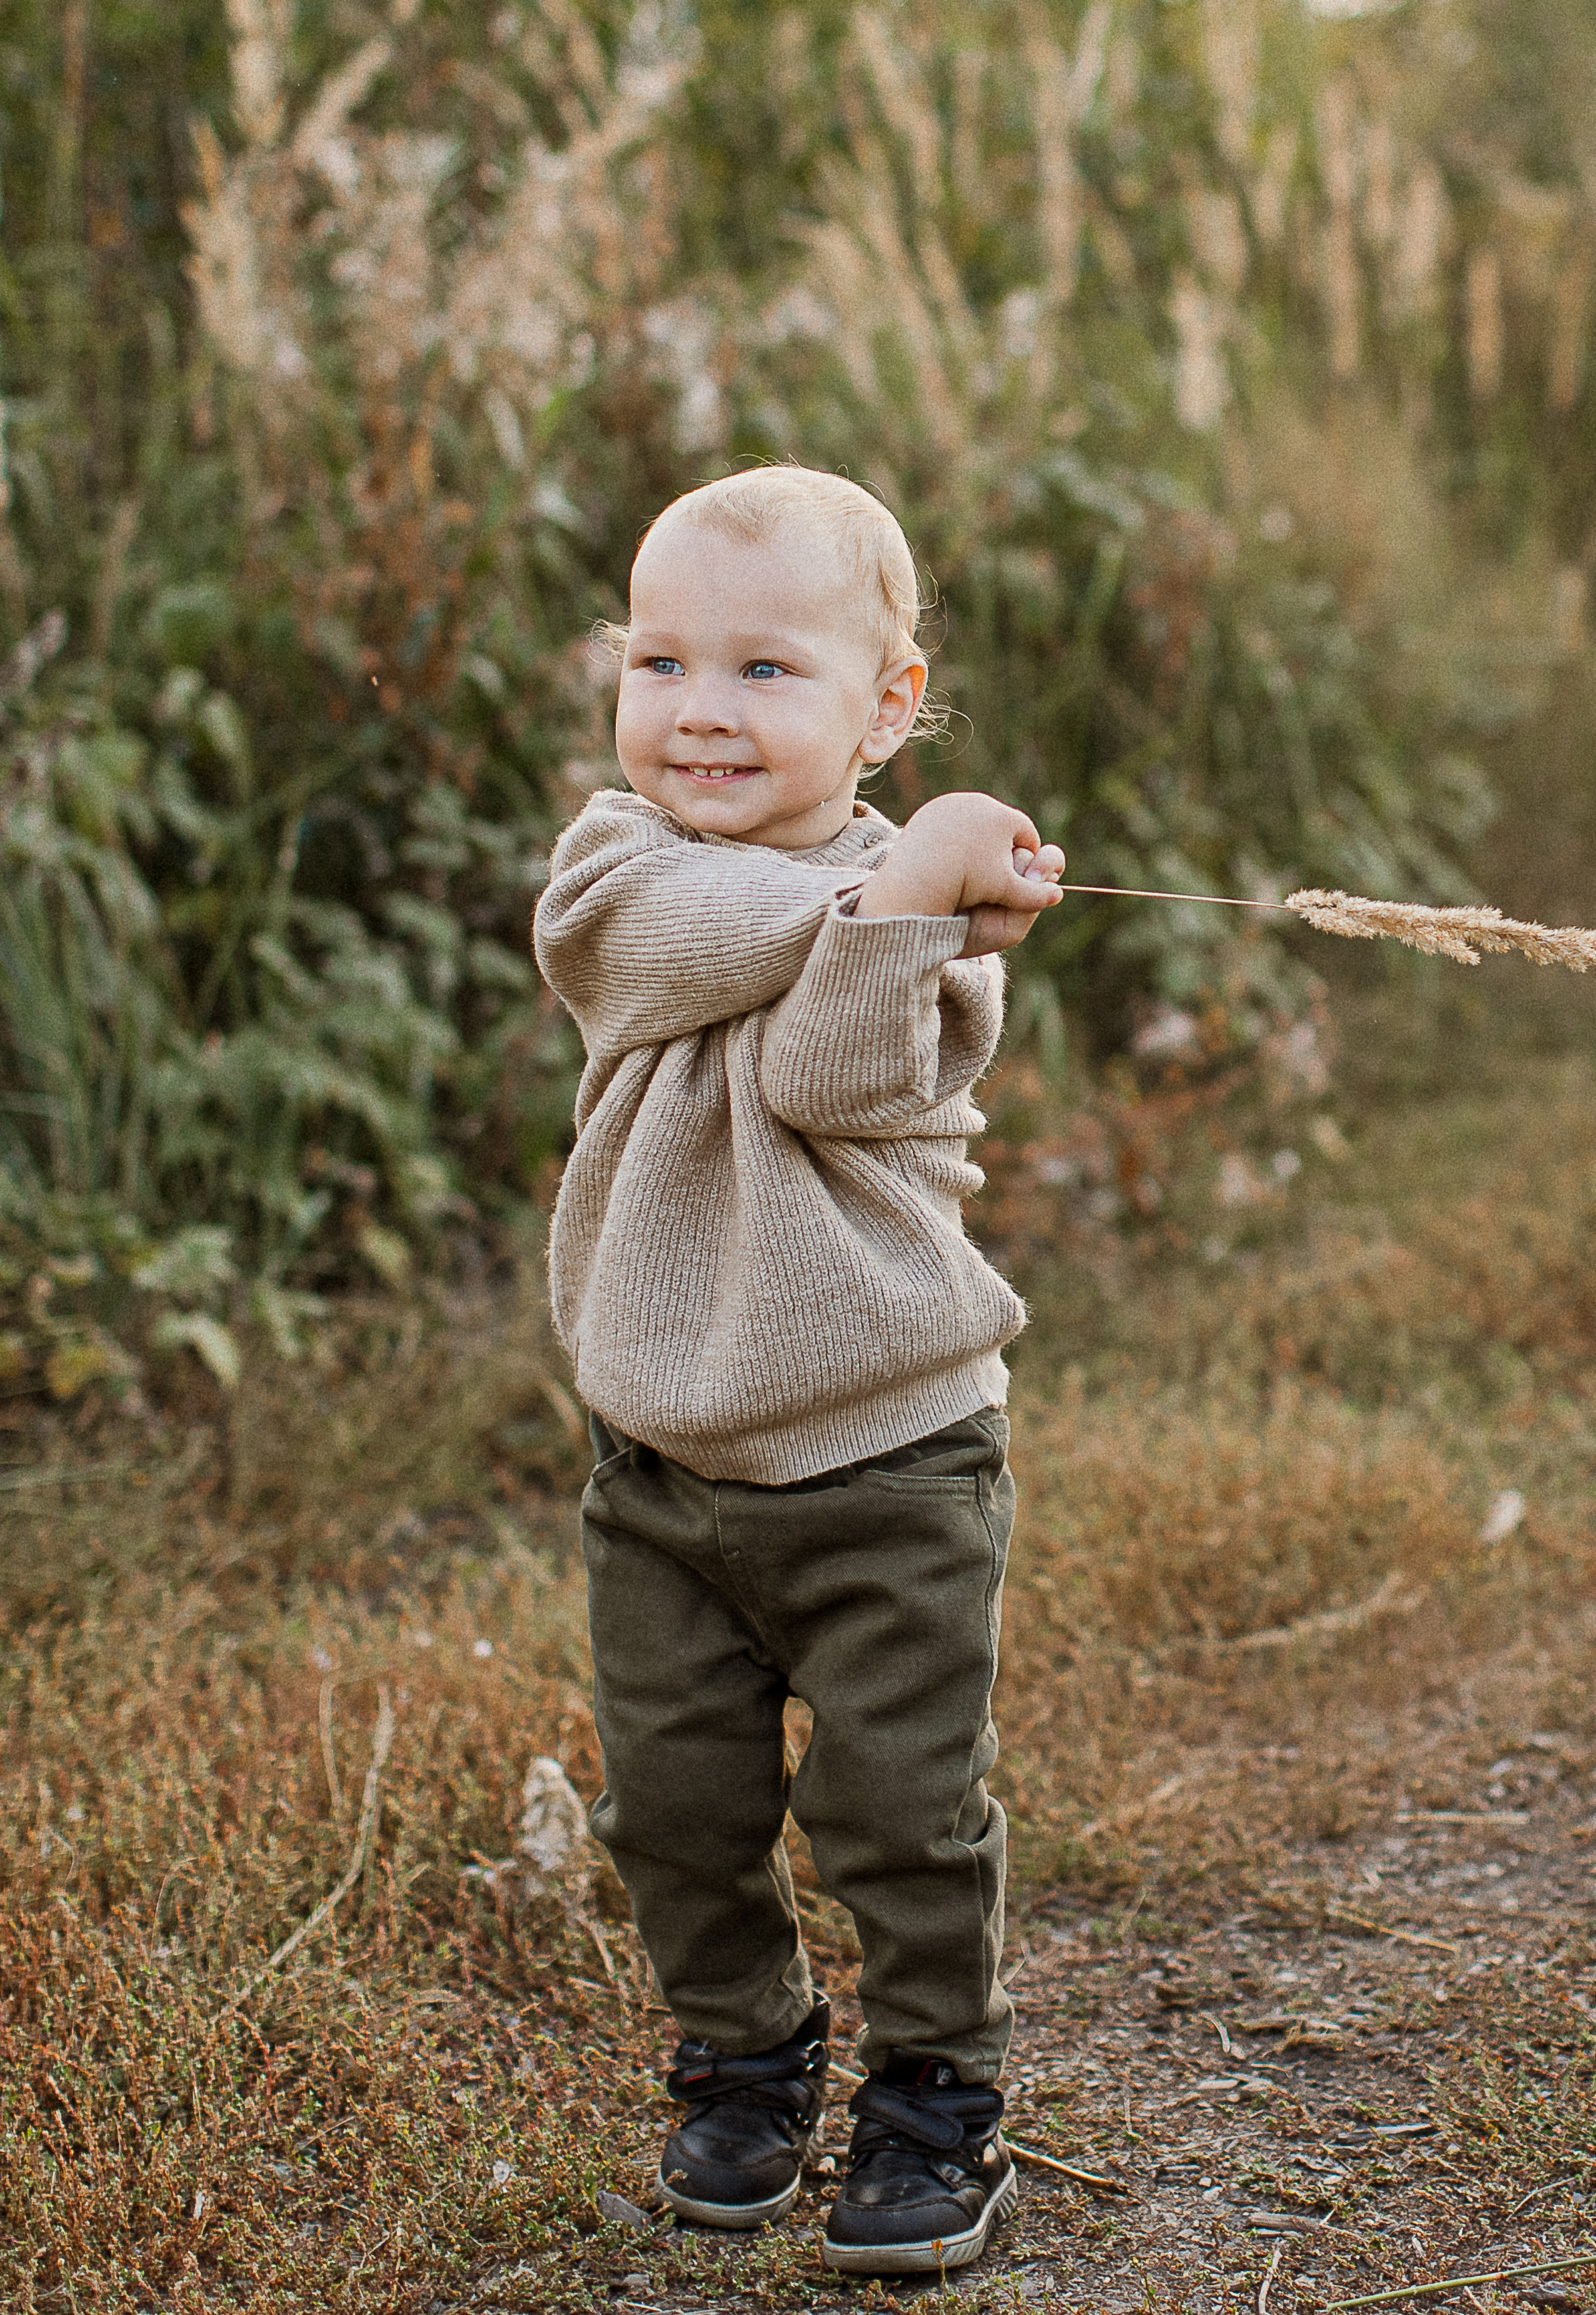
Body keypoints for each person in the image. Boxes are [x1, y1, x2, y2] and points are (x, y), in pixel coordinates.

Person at [532, 464, 1064, 2278]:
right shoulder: (618, 859)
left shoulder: (941, 946)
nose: (698, 708)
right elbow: (644, 944)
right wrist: (892, 886)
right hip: (661, 1461)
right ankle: (747, 2056)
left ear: (886, 707)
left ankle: (937, 2091)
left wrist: (903, 908)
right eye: (661, 657)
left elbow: (833, 1074)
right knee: (674, 1802)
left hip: (894, 1457)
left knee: (902, 1809)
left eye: (766, 669)